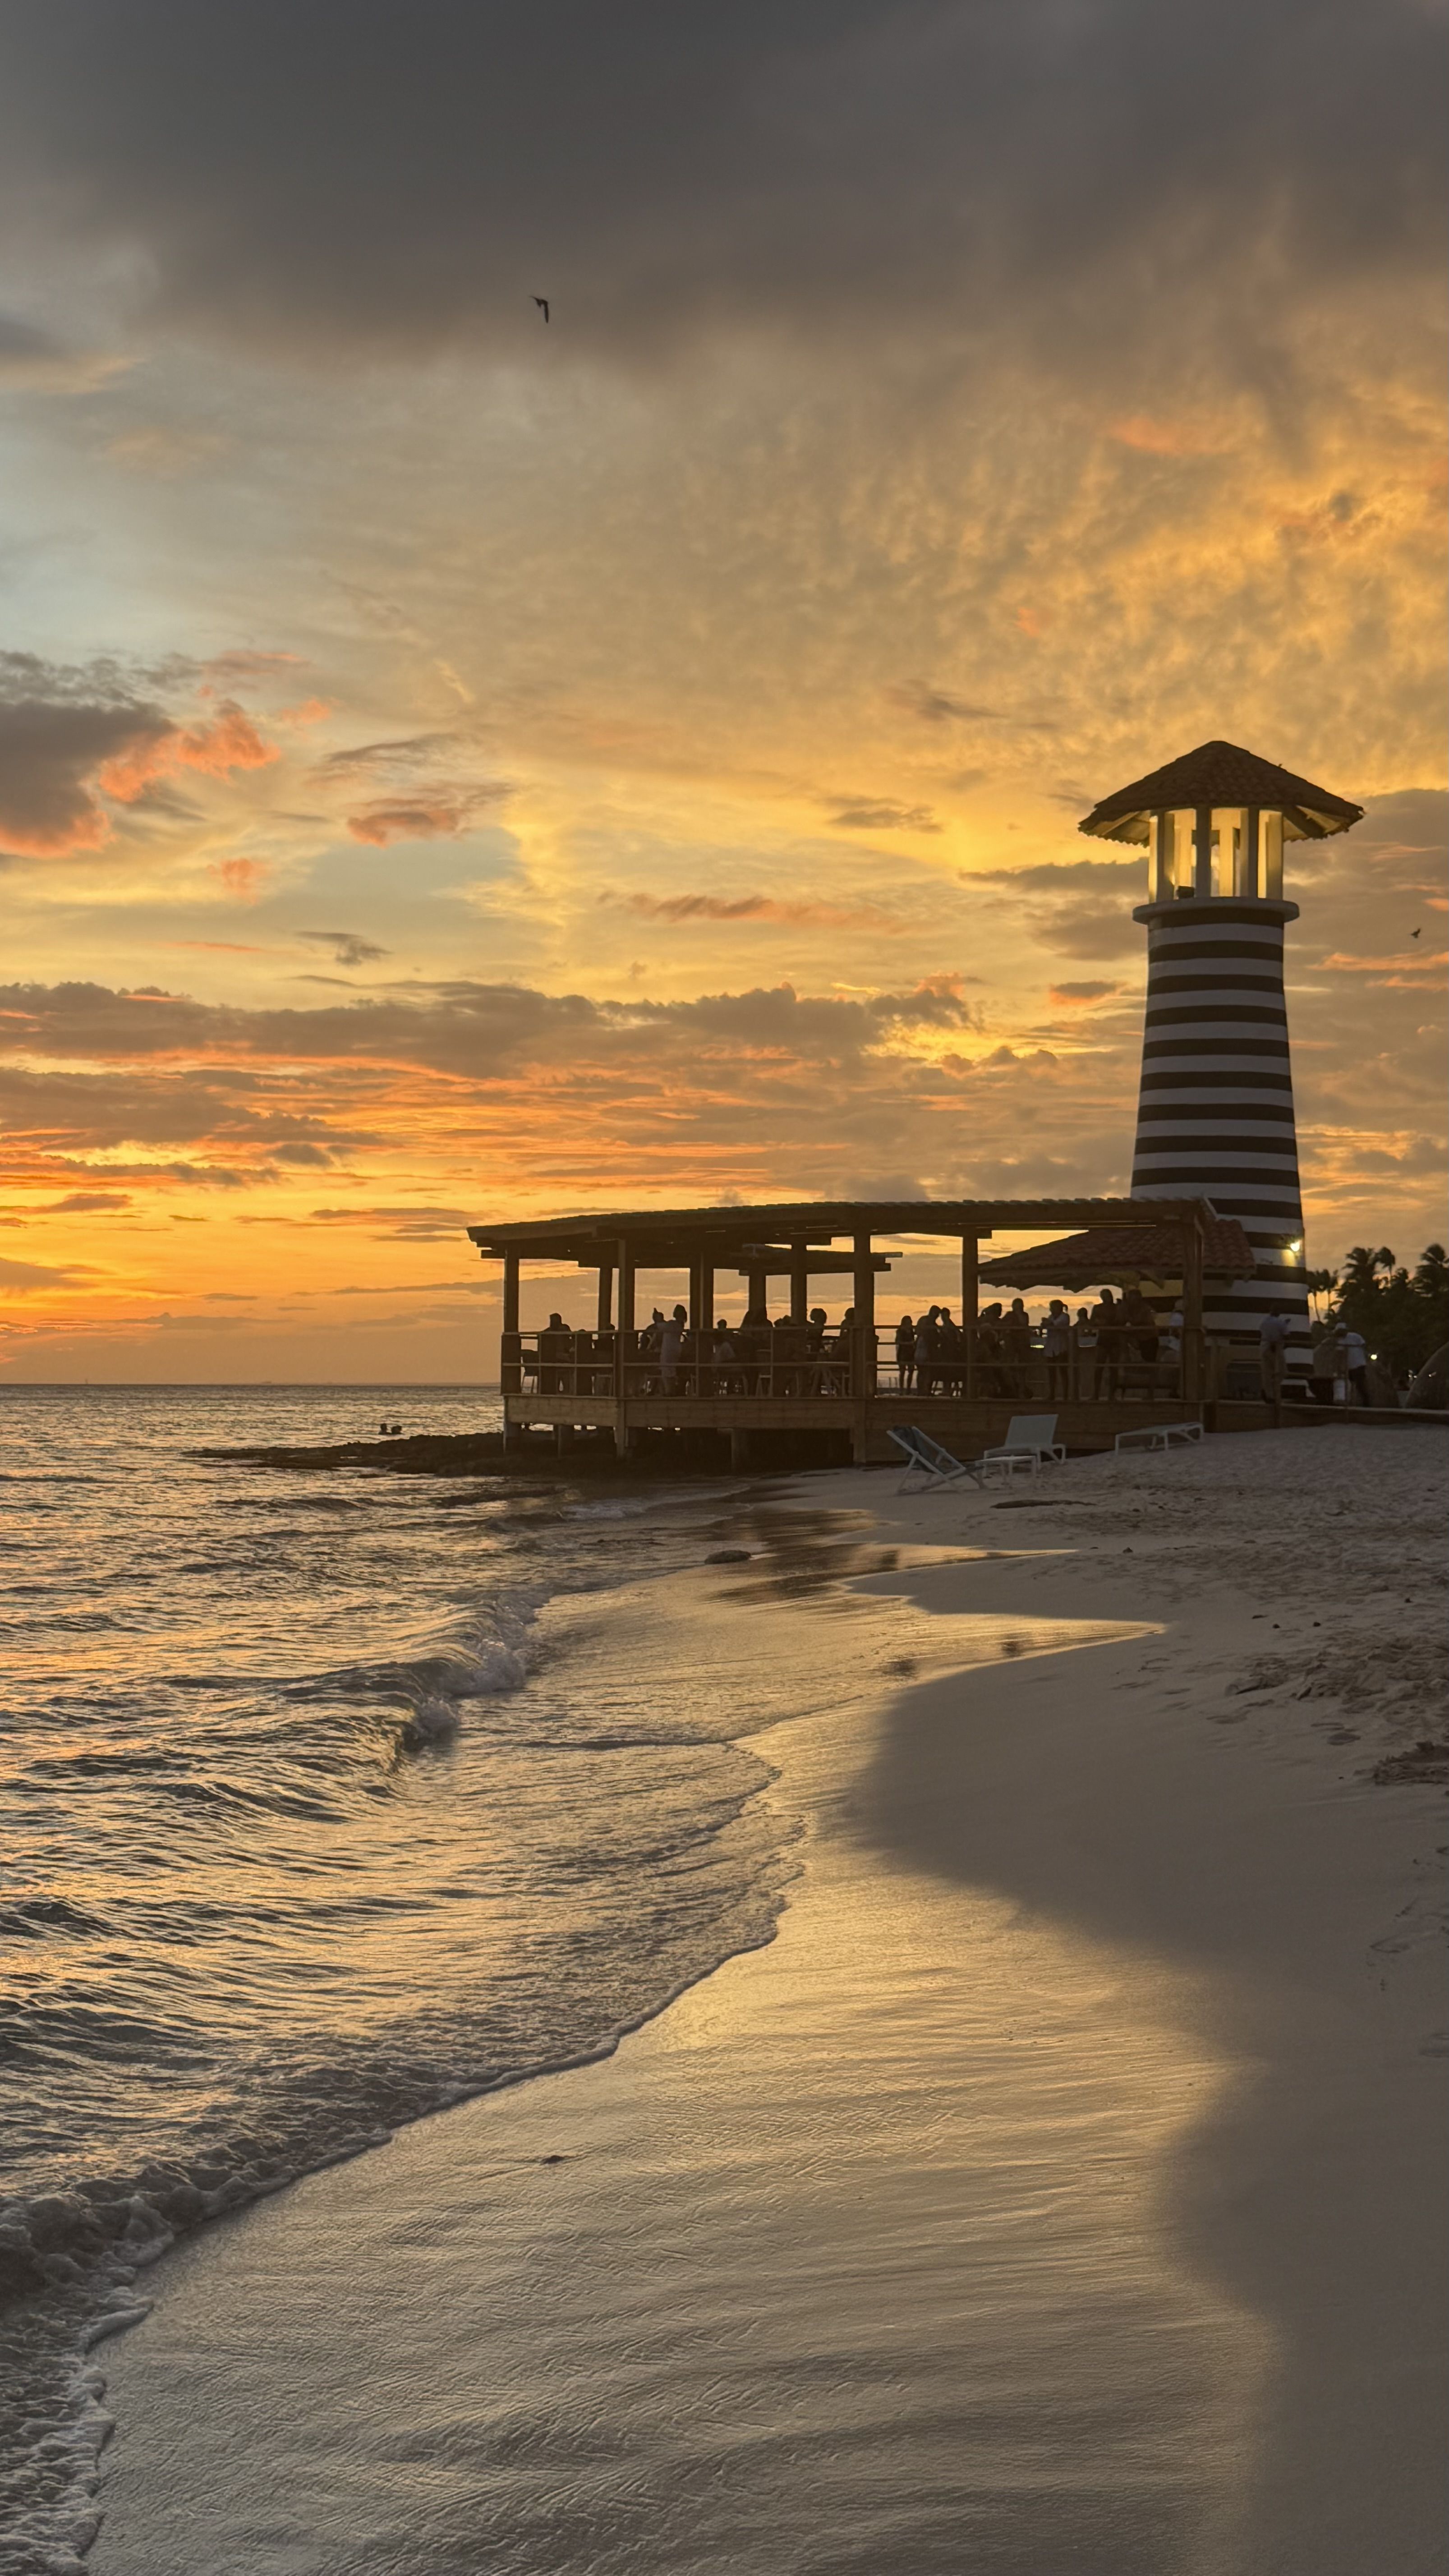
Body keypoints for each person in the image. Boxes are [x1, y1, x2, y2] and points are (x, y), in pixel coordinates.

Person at [1090, 1288, 1124, 1399]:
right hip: (1103, 1339)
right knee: (1099, 1368)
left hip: (1114, 1339)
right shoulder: (1098, 1308)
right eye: (1104, 1296)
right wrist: (1098, 1323)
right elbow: (1091, 1323)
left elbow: (1121, 1322)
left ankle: (1112, 1395)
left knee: (1113, 1368)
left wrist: (1107, 1322)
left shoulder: (1117, 1308)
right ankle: (1096, 1394)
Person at [1259, 1305, 1292, 1404]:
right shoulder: (1281, 1323)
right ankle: (1274, 1391)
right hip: (1276, 1349)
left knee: (1267, 1373)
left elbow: (1261, 1333)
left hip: (1264, 1348)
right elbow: (1287, 1336)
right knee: (1282, 1372)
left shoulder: (1263, 1322)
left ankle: (1269, 1394)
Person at [1002, 1297, 1033, 1395]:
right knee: (1011, 1367)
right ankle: (1012, 1389)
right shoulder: (1009, 1315)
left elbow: (1024, 1324)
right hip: (1012, 1345)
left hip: (1022, 1344)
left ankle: (1022, 1389)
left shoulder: (1025, 1315)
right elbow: (1003, 1324)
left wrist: (1018, 1315)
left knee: (1022, 1368)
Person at [1122, 1286, 1159, 1366]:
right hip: (1140, 1339)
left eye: (1132, 1298)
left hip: (1149, 1339)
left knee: (1150, 1363)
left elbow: (1138, 1321)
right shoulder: (1132, 1309)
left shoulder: (1145, 1308)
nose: (1130, 1301)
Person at [1043, 1299, 1071, 1403]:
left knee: (1063, 1372)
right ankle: (1052, 1394)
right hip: (1051, 1348)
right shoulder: (1051, 1317)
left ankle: (1065, 1396)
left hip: (1061, 1348)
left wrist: (1048, 1323)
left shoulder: (1065, 1317)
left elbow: (1055, 1325)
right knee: (1052, 1373)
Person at [1308, 1325, 1340, 1406]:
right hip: (1322, 1373)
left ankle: (1326, 1401)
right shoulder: (1331, 1342)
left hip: (1321, 1372)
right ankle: (1326, 1401)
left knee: (1325, 1387)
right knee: (1325, 1387)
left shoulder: (1327, 1343)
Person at [659, 1303, 687, 1393]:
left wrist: (658, 1319)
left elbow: (660, 1326)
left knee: (667, 1371)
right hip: (676, 1349)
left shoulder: (672, 1324)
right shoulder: (679, 1325)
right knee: (671, 1370)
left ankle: (669, 1391)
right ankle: (671, 1390)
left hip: (669, 1350)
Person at [1341, 1324, 1371, 1407]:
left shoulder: (1355, 1336)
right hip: (1349, 1366)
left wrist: (1366, 1358)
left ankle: (1366, 1403)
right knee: (1350, 1385)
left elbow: (1364, 1345)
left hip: (1359, 1364)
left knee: (1361, 1385)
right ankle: (1352, 1402)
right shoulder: (1340, 1340)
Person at [914, 1306, 939, 1398]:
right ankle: (923, 1390)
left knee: (925, 1371)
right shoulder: (927, 1322)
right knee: (924, 1370)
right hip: (924, 1348)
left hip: (925, 1348)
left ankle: (924, 1390)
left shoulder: (928, 1322)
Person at [895, 1314, 916, 1392]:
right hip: (903, 1353)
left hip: (910, 1353)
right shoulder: (900, 1331)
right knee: (902, 1371)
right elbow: (898, 1342)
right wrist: (910, 1343)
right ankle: (901, 1390)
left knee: (911, 1370)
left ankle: (908, 1389)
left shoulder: (911, 1331)